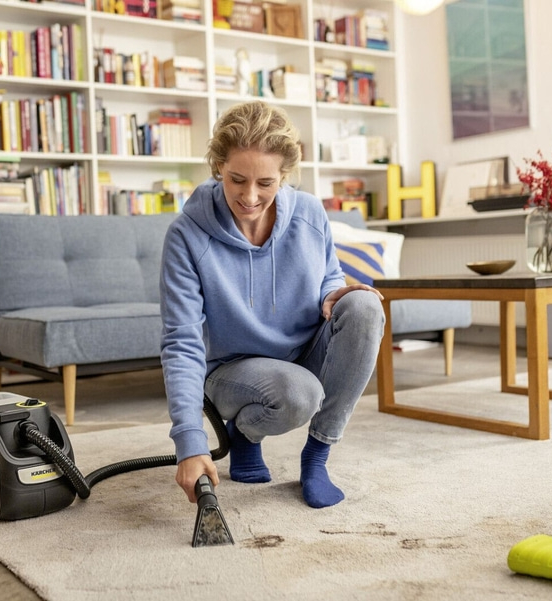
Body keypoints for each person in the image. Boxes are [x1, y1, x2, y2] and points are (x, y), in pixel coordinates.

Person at [159, 101, 385, 509]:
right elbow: (182, 342)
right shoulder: (186, 235)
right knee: (298, 393)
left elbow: (328, 276)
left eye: (265, 183)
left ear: (285, 175)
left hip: (301, 354)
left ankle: (316, 458)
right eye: (236, 179)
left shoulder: (311, 213)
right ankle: (245, 431)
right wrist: (190, 444)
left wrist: (335, 292)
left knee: (366, 307)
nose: (249, 197)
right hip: (232, 371)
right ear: (217, 168)